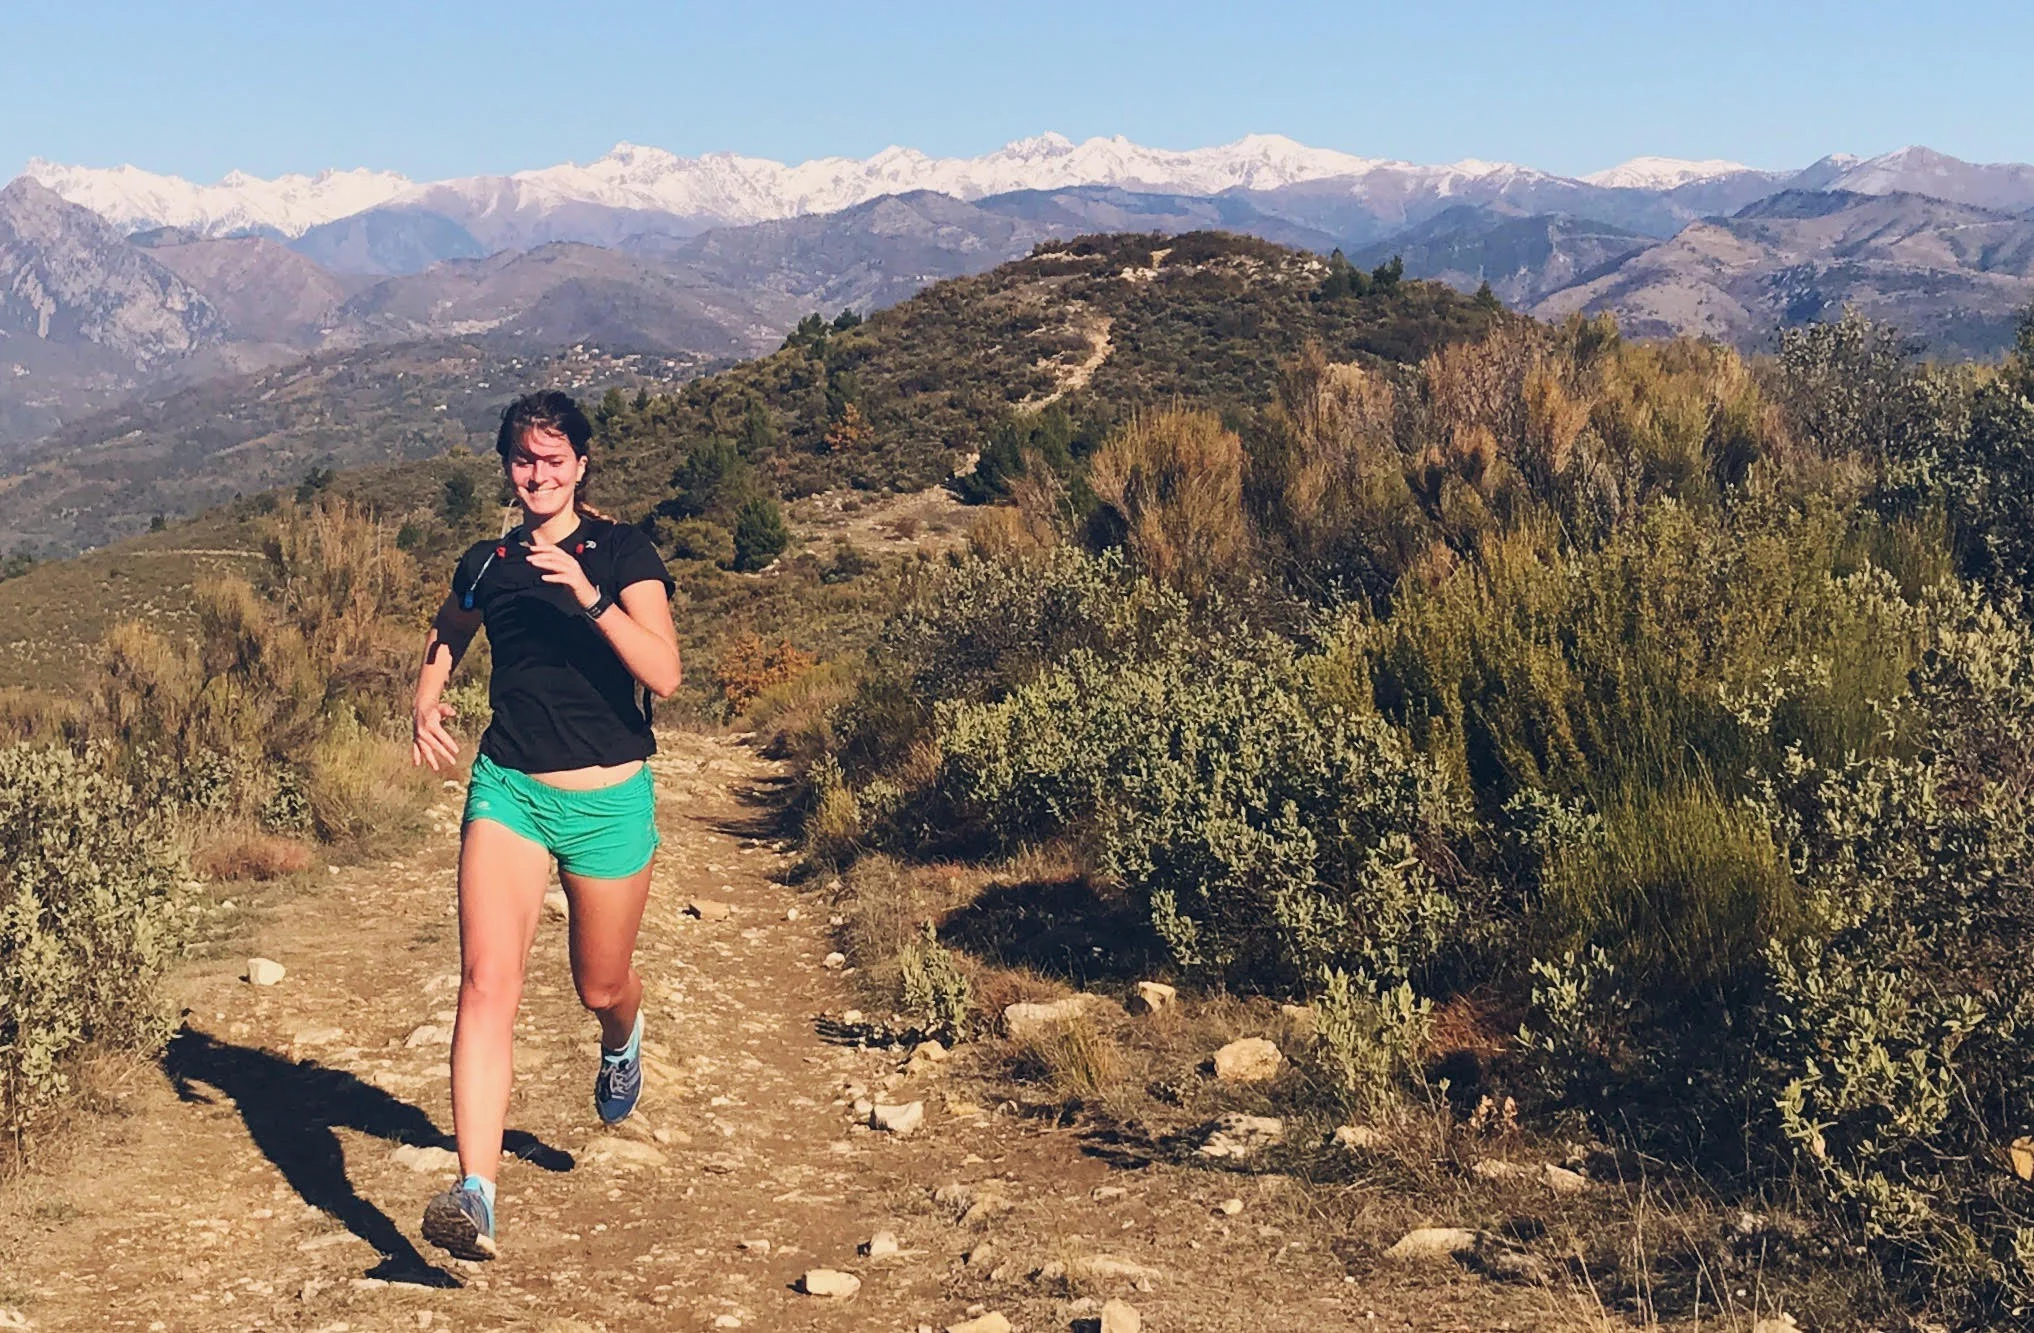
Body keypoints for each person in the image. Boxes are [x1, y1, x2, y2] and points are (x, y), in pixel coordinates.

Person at [407, 390, 680, 1261]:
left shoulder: (623, 551)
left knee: (600, 984)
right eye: (525, 459)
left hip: (608, 800)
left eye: (555, 459)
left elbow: (665, 672)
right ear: (509, 467)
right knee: (487, 984)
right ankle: (475, 1192)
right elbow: (448, 630)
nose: (539, 474)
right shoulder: (488, 561)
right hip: (510, 789)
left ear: (582, 464)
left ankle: (621, 1036)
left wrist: (594, 598)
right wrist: (426, 694)